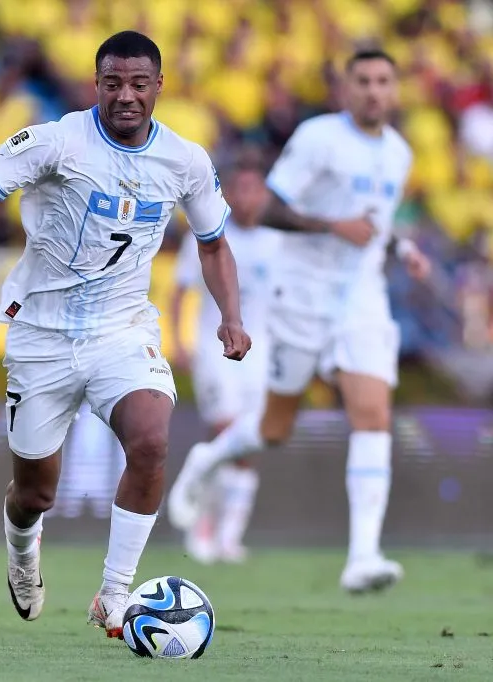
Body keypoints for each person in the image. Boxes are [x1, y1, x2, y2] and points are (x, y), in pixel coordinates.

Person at [0, 30, 251, 639]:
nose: (125, 95)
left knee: (152, 440)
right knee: (35, 493)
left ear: (159, 86)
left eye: (138, 84)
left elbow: (214, 245)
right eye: (112, 83)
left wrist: (230, 317)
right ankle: (23, 549)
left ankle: (113, 594)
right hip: (42, 337)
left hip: (121, 329)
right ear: (95, 84)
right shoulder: (57, 141)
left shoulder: (186, 161)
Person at [167, 49, 432, 593]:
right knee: (274, 428)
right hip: (302, 294)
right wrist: (333, 226)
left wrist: (402, 248)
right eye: (364, 81)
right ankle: (208, 458)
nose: (374, 91)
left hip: (361, 296)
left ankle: (362, 556)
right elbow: (270, 209)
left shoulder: (400, 153)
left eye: (384, 81)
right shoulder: (318, 138)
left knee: (372, 413)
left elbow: (373, 228)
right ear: (346, 88)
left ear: (396, 89)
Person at [168, 165, 279, 565]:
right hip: (214, 348)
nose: (250, 197)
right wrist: (178, 339)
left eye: (256, 188)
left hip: (263, 354)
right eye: (243, 188)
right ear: (230, 192)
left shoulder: (277, 241)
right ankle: (202, 527)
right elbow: (179, 290)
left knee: (249, 441)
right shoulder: (210, 231)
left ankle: (230, 536)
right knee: (224, 429)